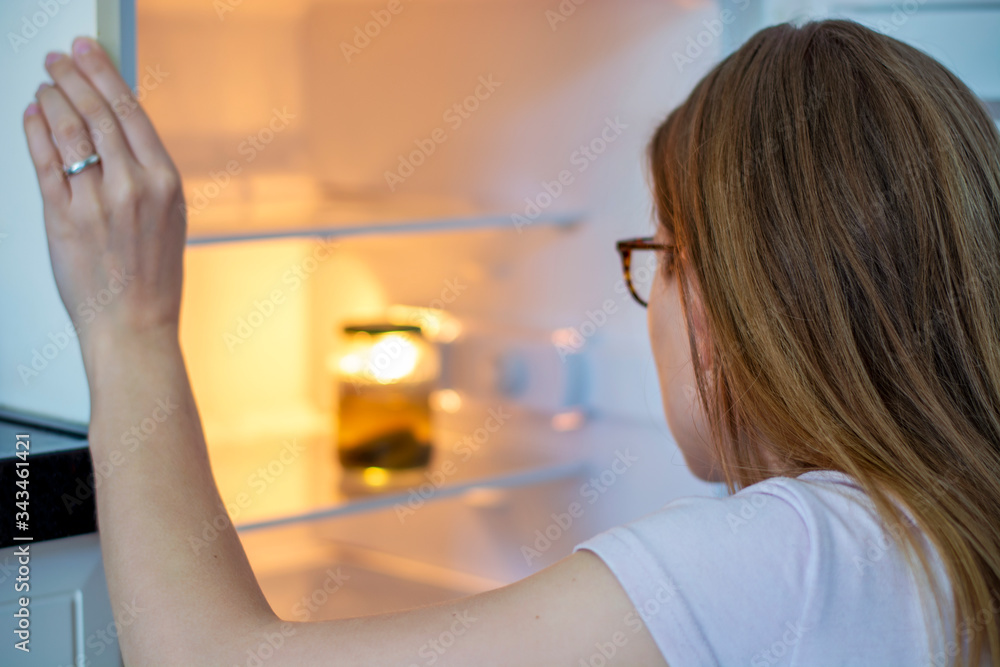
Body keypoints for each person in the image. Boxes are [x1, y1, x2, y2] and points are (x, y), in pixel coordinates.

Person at [21, 17, 1000, 667]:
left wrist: (130, 322)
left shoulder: (793, 555)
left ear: (739, 294)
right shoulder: (927, 533)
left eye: (657, 255)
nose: (646, 298)